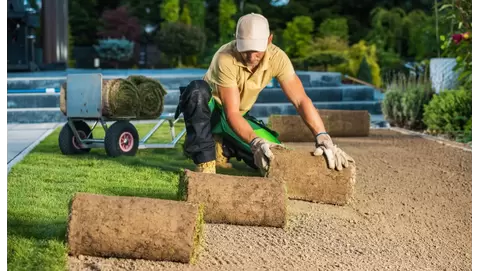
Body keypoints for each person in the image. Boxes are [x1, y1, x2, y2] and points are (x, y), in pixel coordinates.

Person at [175, 13, 354, 174]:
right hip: (213, 112)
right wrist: (256, 142)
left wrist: (322, 135)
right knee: (197, 90)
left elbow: (300, 100)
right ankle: (204, 158)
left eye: (257, 51)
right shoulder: (224, 58)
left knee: (274, 157)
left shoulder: (278, 58)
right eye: (245, 49)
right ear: (236, 40)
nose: (251, 57)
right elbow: (231, 113)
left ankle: (222, 146)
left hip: (238, 118)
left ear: (269, 40)